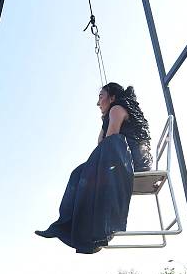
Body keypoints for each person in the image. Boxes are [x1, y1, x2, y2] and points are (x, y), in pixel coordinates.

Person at [35, 82, 153, 253]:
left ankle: (101, 229)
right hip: (122, 158)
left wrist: (108, 120)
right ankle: (63, 227)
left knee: (108, 147)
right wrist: (104, 122)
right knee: (78, 174)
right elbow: (102, 143)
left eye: (101, 97)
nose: (98, 103)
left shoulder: (117, 108)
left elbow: (109, 140)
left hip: (132, 159)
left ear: (112, 97)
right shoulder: (112, 112)